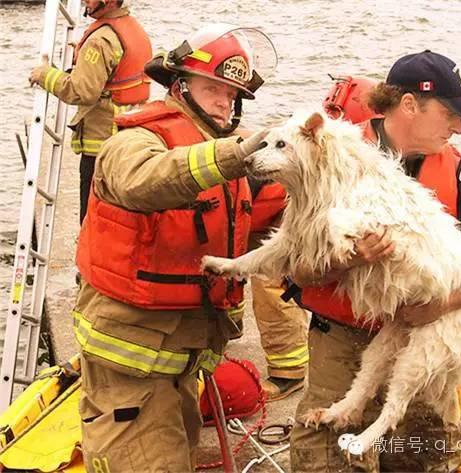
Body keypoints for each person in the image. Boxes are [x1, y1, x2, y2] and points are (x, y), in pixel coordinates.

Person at [289, 51, 461, 472]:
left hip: (424, 339)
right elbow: (296, 270)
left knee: (429, 457)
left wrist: (440, 306)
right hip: (341, 338)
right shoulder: (328, 158)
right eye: (450, 113)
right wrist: (348, 260)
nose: (458, 128)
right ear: (409, 105)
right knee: (327, 458)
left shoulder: (455, 171)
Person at [72, 24, 277, 472]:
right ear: (179, 85)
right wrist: (234, 155)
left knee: (177, 455)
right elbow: (141, 180)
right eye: (214, 89)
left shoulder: (217, 155)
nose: (226, 102)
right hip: (130, 359)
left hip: (178, 357)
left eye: (232, 93)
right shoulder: (136, 140)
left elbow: (249, 229)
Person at [29, 0, 152, 225]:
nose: (85, 0)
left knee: (92, 217)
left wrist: (44, 75)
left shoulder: (100, 41)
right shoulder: (132, 28)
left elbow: (82, 91)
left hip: (100, 145)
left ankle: (89, 256)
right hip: (128, 139)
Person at [248, 177, 309, 401]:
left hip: (279, 200)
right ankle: (229, 325)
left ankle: (288, 370)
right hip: (239, 201)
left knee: (271, 281)